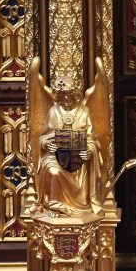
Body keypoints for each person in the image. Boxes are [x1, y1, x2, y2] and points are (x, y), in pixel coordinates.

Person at [34, 79, 105, 214]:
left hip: (78, 157)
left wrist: (89, 150)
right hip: (55, 156)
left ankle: (82, 203)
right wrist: (47, 144)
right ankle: (55, 204)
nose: (66, 102)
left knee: (82, 166)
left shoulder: (84, 112)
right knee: (53, 171)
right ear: (59, 97)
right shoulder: (53, 112)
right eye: (63, 98)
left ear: (75, 97)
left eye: (69, 98)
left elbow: (91, 138)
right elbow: (43, 137)